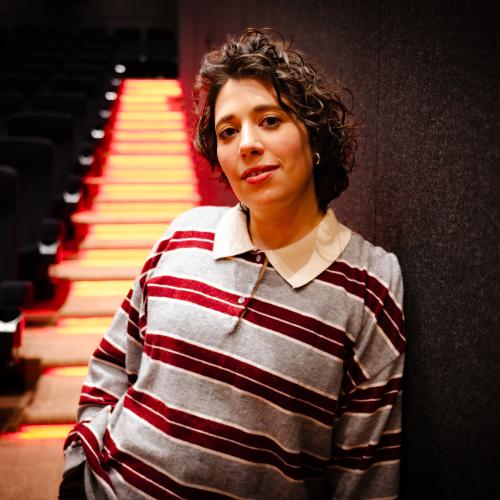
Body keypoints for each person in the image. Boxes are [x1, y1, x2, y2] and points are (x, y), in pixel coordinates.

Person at [60, 28, 405, 499]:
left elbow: (365, 474)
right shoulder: (185, 232)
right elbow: (115, 361)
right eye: (228, 131)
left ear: (314, 135)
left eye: (269, 120)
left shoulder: (369, 286)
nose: (246, 144)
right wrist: (78, 466)